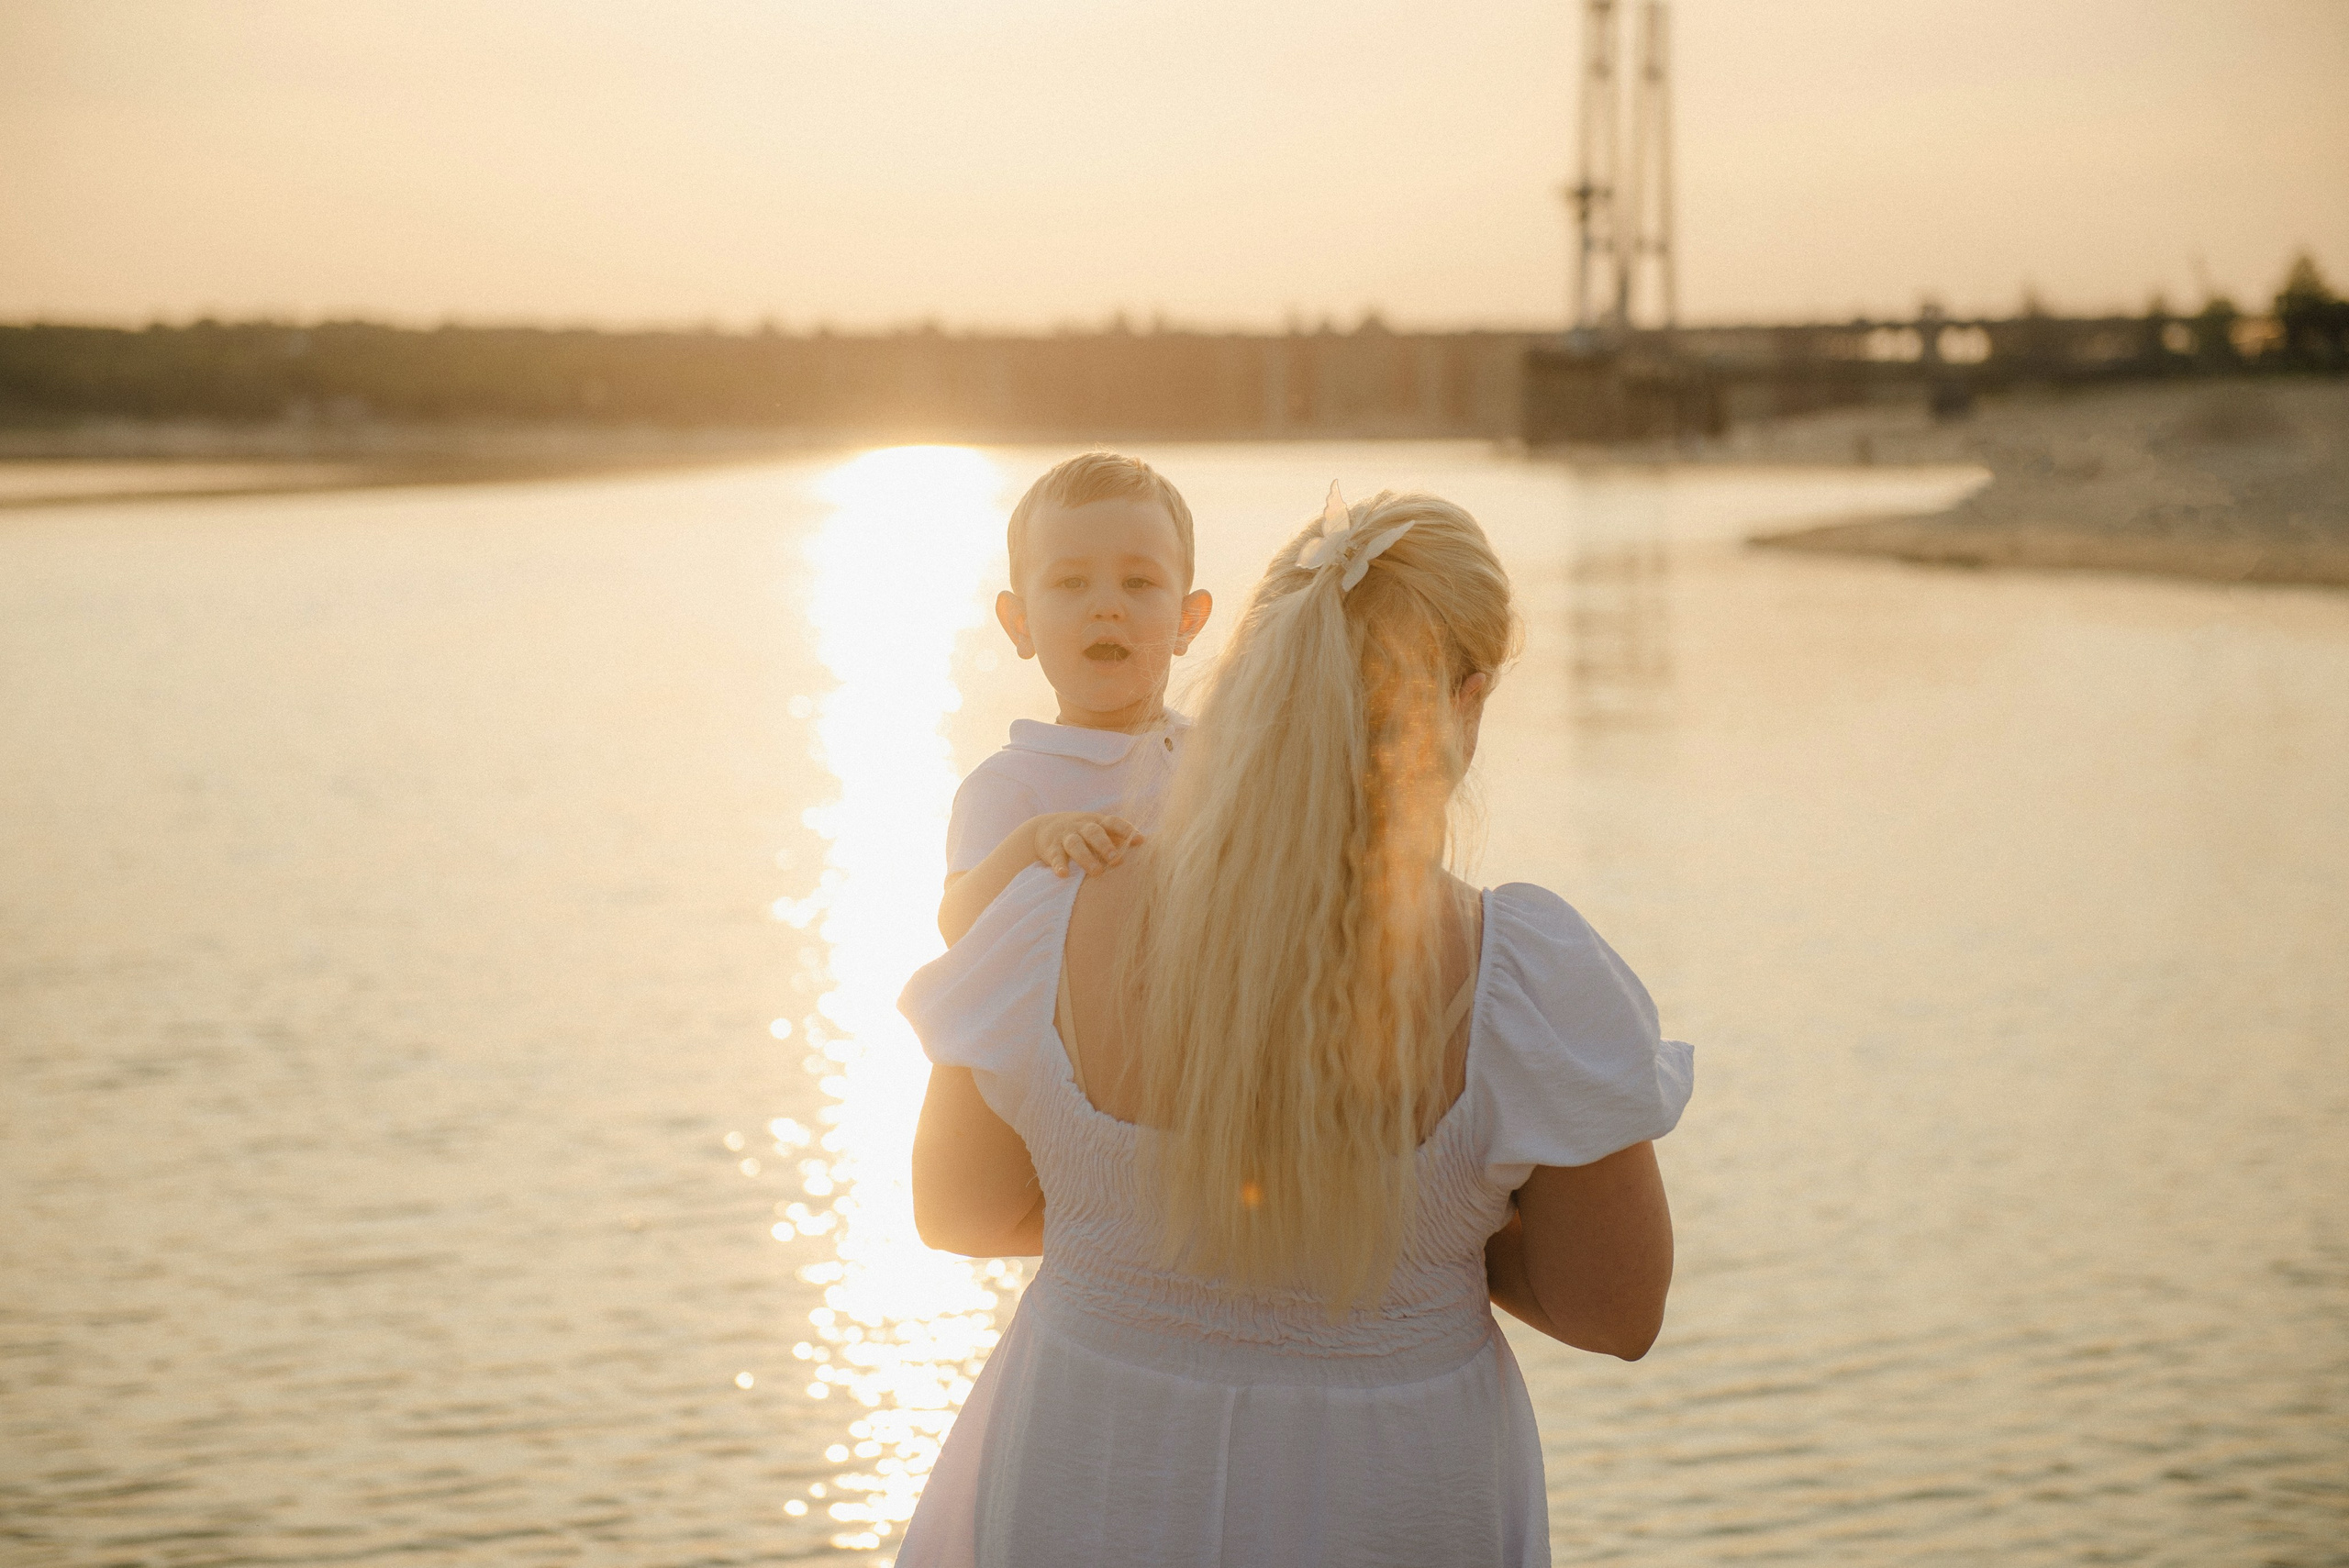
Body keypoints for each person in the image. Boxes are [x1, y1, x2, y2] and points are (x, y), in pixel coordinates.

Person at [897, 485, 1693, 1567]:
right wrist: (1421, 1229)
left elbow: (958, 1207)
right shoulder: (1520, 975)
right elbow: (1615, 1309)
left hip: (1089, 1471)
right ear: (1467, 697)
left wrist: (1159, 1219)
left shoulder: (1048, 909)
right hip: (1389, 1491)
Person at [938, 450, 1214, 945]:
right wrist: (1032, 841)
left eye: (1138, 582)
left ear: (1187, 621)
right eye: (1072, 582)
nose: (1107, 607)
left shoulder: (1221, 755)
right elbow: (956, 928)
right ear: (1021, 625)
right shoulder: (1011, 786)